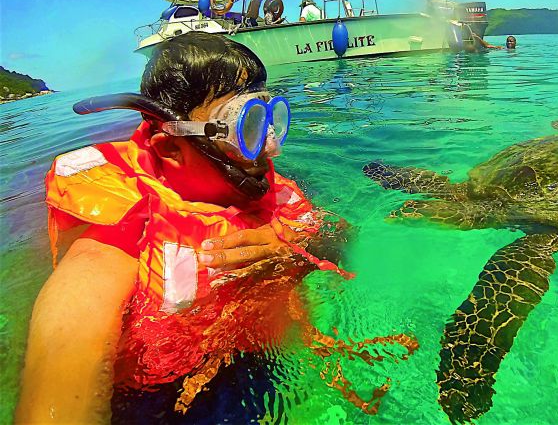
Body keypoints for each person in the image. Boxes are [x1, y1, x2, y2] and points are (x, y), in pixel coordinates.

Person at [15, 32, 354, 423]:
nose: (268, 147)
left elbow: (341, 238)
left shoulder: (274, 198)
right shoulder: (108, 255)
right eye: (244, 127)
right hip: (169, 399)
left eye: (267, 120)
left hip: (271, 366)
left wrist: (293, 249)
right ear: (170, 148)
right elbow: (59, 386)